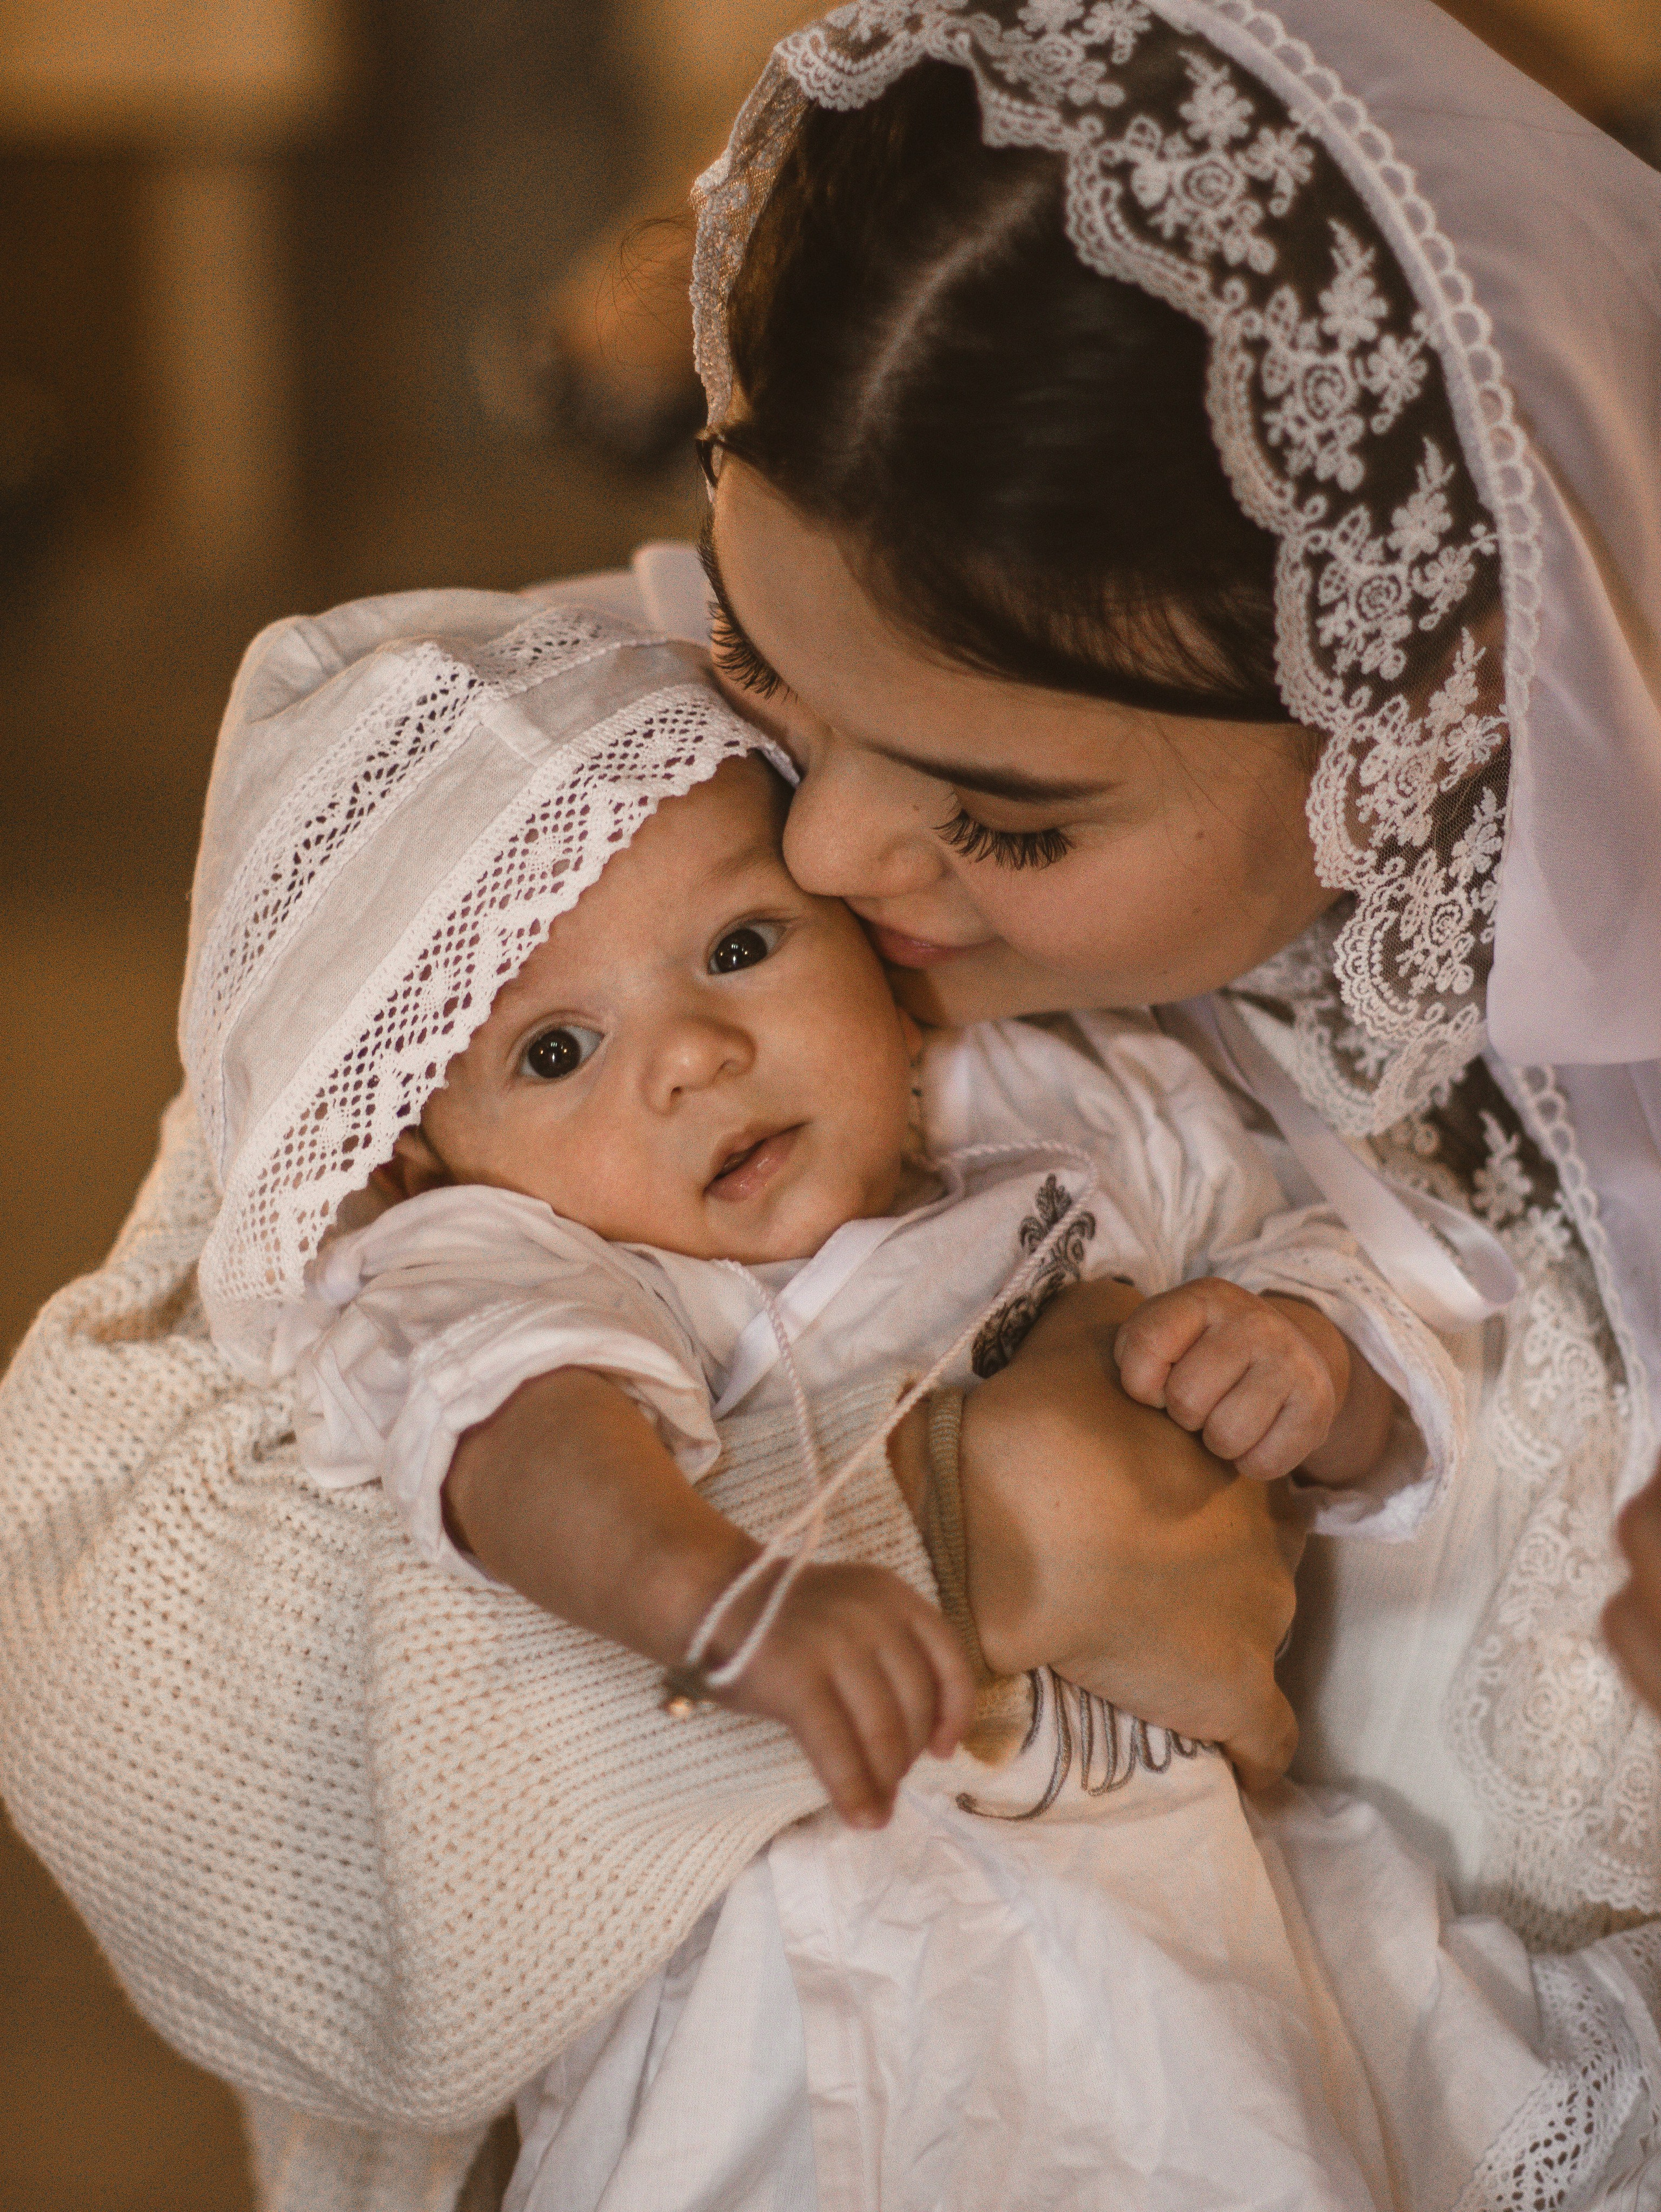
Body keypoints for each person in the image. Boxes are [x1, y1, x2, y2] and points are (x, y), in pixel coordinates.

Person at [0, 1, 1657, 2202]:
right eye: (771, 675)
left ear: (1426, 697)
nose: (836, 862)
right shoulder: (552, 843)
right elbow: (134, 1653)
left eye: (1005, 814)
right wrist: (937, 1534)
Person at [190, 594, 1651, 2211]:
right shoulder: (521, 1254)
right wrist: (718, 1595)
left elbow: (1344, 1264)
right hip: (812, 1989)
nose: (688, 1055)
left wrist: (1311, 1360)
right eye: (555, 1051)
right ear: (419, 1149)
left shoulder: (1047, 1102)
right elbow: (512, 1434)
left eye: (740, 948)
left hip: (1195, 1923)